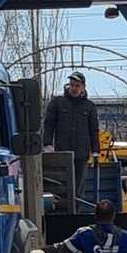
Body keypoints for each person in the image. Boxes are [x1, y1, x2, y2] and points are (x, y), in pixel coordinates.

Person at [42, 71, 100, 201]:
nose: (74, 88)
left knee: (78, 191)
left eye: (77, 86)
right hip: (62, 152)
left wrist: (95, 151)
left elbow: (93, 130)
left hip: (81, 154)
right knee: (61, 188)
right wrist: (47, 144)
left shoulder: (89, 106)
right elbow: (49, 124)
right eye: (72, 85)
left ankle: (77, 212)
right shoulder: (57, 103)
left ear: (83, 87)